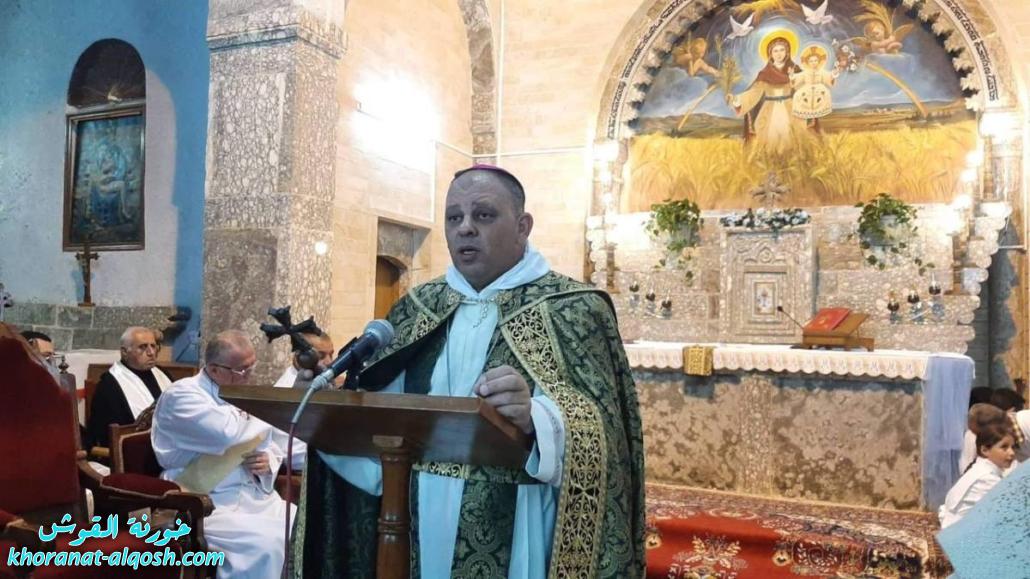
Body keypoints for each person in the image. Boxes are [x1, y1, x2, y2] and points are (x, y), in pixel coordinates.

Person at [293, 165, 645, 578]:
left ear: (523, 226)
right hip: (416, 514)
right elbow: (382, 419)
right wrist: (329, 406)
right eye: (453, 217)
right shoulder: (419, 307)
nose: (465, 228)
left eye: (484, 215)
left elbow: (606, 434)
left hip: (520, 517)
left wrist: (536, 416)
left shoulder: (572, 307)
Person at [152, 330, 300, 579]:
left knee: (304, 526)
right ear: (214, 369)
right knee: (268, 543)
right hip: (205, 501)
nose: (250, 375)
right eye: (242, 370)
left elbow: (268, 440)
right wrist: (265, 412)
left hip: (254, 497)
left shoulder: (238, 391)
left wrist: (268, 462)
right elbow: (228, 434)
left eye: (252, 366)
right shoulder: (182, 395)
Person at [86, 326, 171, 448]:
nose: (151, 353)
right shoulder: (110, 386)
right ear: (125, 352)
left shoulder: (162, 374)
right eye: (143, 347)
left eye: (153, 346)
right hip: (136, 449)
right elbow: (107, 434)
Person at [729, 35, 806, 156]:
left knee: (792, 135)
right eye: (775, 51)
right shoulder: (764, 73)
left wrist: (796, 79)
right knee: (770, 137)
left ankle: (792, 161)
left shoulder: (795, 70)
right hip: (769, 109)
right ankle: (771, 161)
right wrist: (737, 100)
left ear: (787, 52)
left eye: (782, 50)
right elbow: (754, 93)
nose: (779, 54)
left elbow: (804, 89)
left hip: (790, 107)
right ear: (770, 54)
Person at [939, 423, 1015, 528]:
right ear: (985, 450)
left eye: (1012, 447)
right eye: (1004, 447)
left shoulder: (982, 469)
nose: (1012, 453)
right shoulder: (986, 478)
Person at [790, 45, 839, 130]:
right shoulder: (805, 72)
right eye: (811, 61)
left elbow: (828, 78)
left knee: (822, 99)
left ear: (819, 61)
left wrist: (833, 74)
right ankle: (808, 122)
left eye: (815, 60)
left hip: (819, 91)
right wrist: (792, 75)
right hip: (807, 90)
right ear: (807, 62)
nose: (813, 63)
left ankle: (816, 123)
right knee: (799, 97)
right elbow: (797, 79)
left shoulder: (822, 71)